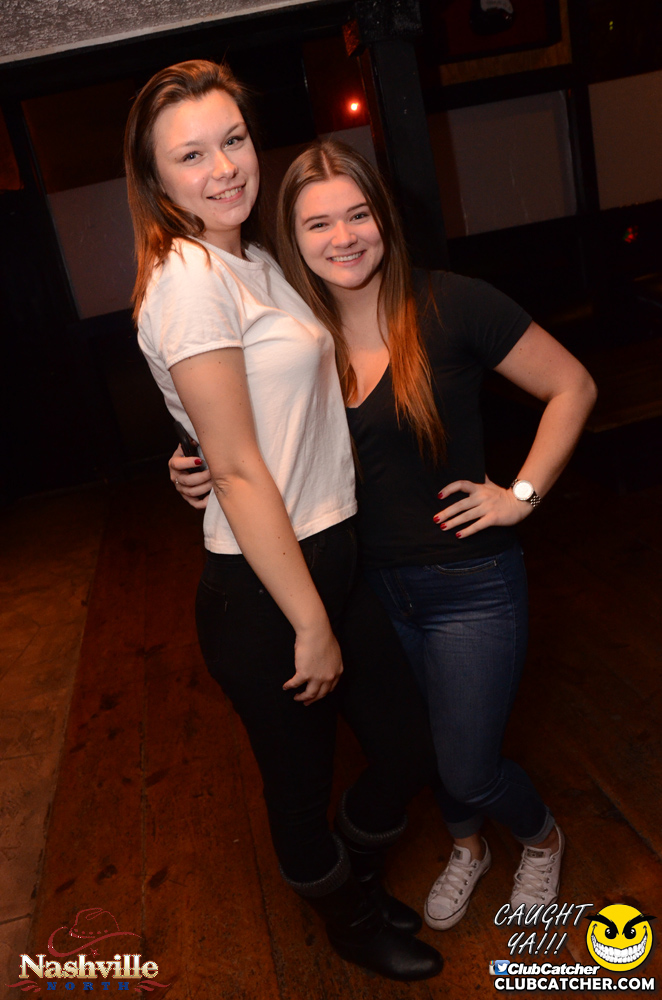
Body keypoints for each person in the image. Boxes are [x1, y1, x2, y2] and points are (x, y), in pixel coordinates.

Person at [171, 138, 597, 932]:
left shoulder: (453, 303)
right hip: (362, 588)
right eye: (317, 224)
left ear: (385, 219)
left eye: (358, 214)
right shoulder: (296, 339)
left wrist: (521, 495)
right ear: (291, 239)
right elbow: (244, 441)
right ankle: (467, 848)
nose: (343, 237)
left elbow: (572, 384)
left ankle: (541, 838)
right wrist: (190, 463)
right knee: (425, 749)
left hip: (470, 586)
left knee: (469, 764)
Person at [124, 61, 445, 982]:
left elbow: (241, 422)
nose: (223, 167)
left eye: (231, 140)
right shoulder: (190, 279)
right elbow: (234, 465)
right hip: (266, 591)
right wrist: (309, 621)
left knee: (406, 744)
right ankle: (349, 917)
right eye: (191, 155)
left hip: (330, 550)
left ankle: (355, 875)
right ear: (155, 177)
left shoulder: (252, 258)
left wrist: (186, 454)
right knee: (299, 790)